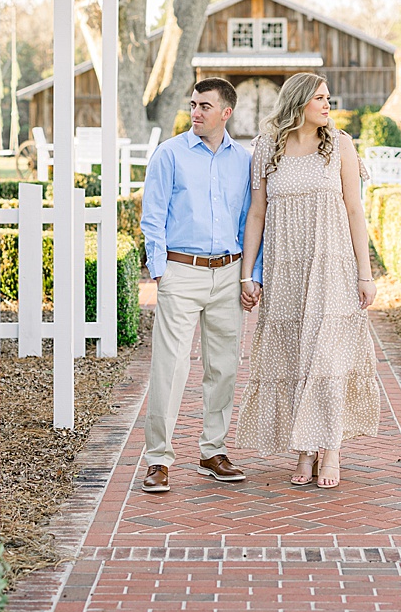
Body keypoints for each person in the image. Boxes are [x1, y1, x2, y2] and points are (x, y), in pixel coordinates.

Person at [233, 73, 383, 488]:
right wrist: (248, 274)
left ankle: (330, 449)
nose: (327, 104)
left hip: (332, 266)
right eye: (320, 98)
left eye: (328, 97)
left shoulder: (340, 145)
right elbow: (257, 213)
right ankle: (304, 448)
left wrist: (365, 273)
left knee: (328, 360)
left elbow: (354, 210)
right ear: (298, 102)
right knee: (295, 357)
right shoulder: (267, 148)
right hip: (285, 270)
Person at [135, 78, 262, 493]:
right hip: (181, 271)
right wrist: (160, 271)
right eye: (193, 104)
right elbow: (152, 216)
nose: (195, 112)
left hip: (228, 273)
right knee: (170, 367)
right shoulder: (169, 154)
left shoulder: (242, 160)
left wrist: (250, 274)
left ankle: (213, 451)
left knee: (224, 367)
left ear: (226, 112)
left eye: (205, 106)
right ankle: (158, 459)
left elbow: (249, 221)